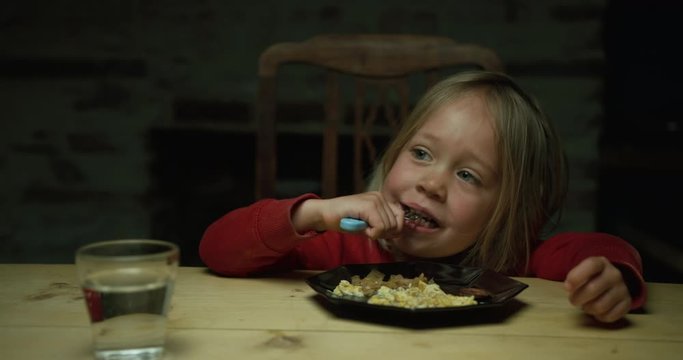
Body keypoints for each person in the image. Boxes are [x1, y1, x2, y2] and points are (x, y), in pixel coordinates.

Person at [200, 71, 646, 323]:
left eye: (469, 175)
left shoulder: (508, 261)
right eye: (421, 153)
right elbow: (216, 250)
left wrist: (612, 278)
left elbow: (595, 250)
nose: (432, 183)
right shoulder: (335, 245)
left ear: (508, 210)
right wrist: (312, 213)